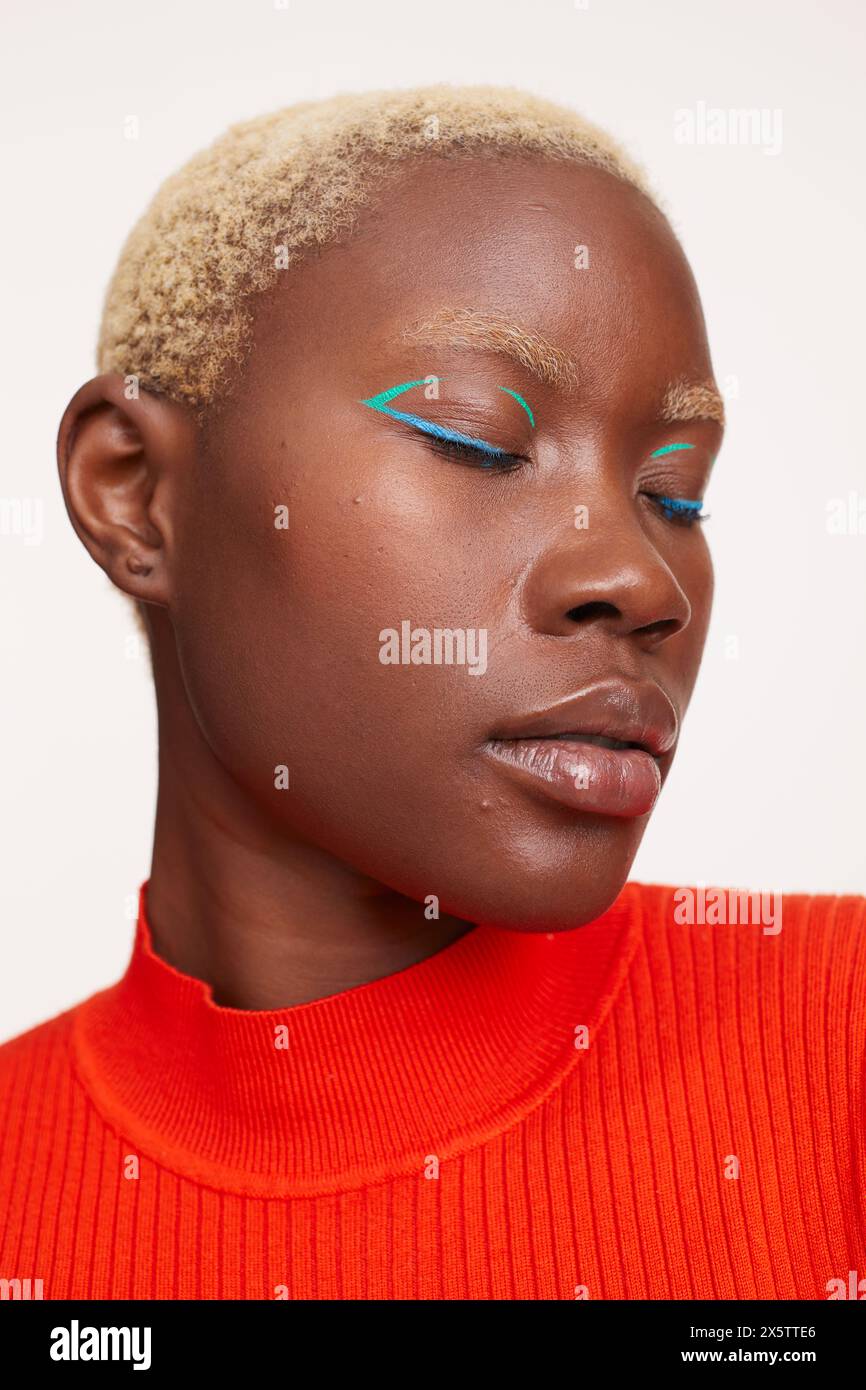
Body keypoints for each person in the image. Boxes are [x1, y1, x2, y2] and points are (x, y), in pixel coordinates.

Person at [1, 84, 863, 1301]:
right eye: (474, 441)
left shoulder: (840, 1046)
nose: (637, 573)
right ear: (133, 492)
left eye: (674, 490)